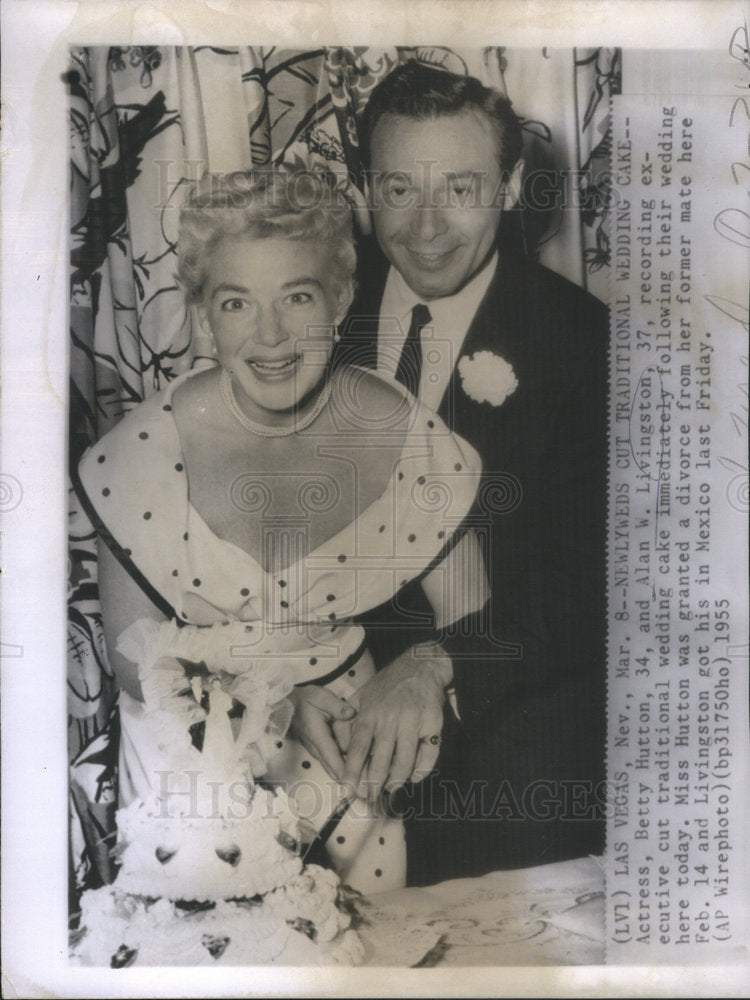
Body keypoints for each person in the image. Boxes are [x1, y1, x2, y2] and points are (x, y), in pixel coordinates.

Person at [73, 165, 485, 896]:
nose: (270, 336)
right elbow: (135, 666)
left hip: (353, 749)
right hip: (192, 754)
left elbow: (476, 626)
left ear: (341, 299)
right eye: (236, 303)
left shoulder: (405, 434)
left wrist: (423, 669)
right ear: (204, 318)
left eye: (297, 296)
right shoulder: (137, 457)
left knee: (374, 936)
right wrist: (271, 704)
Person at [329, 61, 609, 886]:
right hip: (322, 726)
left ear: (511, 185)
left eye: (460, 188)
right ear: (364, 189)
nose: (426, 226)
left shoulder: (584, 344)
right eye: (398, 189)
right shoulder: (311, 313)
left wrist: (436, 663)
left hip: (508, 734)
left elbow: (590, 587)